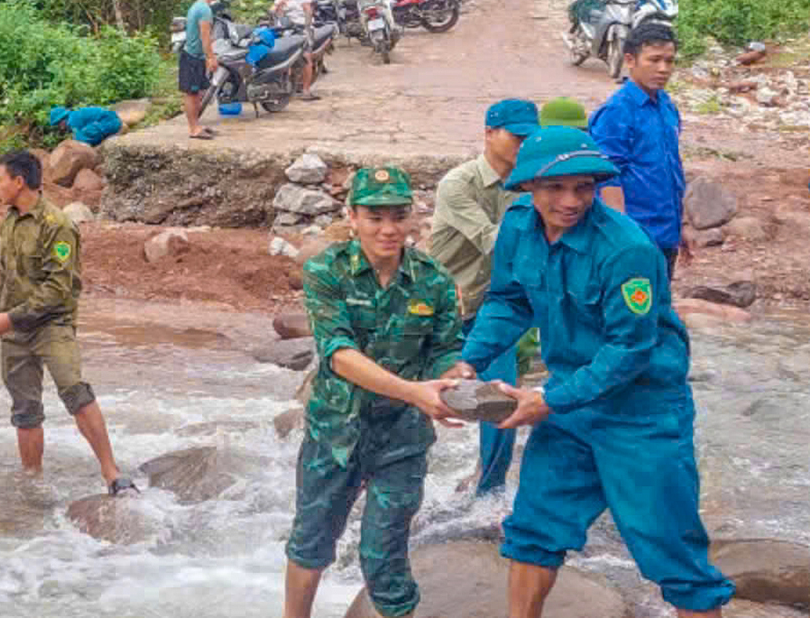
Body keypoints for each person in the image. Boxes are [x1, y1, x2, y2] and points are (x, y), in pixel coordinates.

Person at [454, 126, 733, 617]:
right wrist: (469, 359)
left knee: (673, 553)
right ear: (527, 188)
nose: (570, 201)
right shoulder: (519, 226)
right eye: (554, 188)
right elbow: (508, 300)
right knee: (533, 532)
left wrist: (546, 401)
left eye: (584, 187)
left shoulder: (627, 250)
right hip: (569, 403)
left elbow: (630, 350)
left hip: (642, 414)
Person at [284, 166, 465, 618]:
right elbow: (338, 354)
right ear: (352, 217)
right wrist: (414, 391)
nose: (388, 229)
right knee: (312, 542)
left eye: (398, 216)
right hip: (336, 434)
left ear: (412, 219)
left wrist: (458, 385)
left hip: (401, 440)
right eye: (375, 217)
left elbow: (445, 352)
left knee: (386, 555)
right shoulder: (328, 270)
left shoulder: (434, 280)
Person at [0, 150, 134, 494]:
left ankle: (111, 472)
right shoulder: (9, 220)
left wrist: (9, 317)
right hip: (15, 328)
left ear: (19, 182)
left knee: (75, 392)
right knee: (25, 409)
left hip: (53, 325)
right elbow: (8, 276)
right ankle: (32, 481)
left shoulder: (58, 225)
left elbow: (58, 289)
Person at [426, 99, 538, 496]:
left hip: (492, 311)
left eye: (531, 136)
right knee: (416, 400)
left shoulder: (531, 187)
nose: (525, 144)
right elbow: (495, 243)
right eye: (517, 135)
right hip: (437, 309)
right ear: (490, 134)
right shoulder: (458, 184)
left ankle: (488, 493)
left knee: (501, 400)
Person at [588, 22, 688, 273]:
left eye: (669, 60)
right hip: (635, 236)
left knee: (659, 307)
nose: (663, 69)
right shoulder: (617, 111)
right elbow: (606, 176)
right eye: (654, 60)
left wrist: (681, 226)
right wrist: (623, 238)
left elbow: (672, 170)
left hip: (666, 234)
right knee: (634, 309)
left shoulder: (666, 106)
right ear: (631, 60)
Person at [179, 0, 219, 140]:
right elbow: (205, 35)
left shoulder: (197, 6)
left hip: (193, 55)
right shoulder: (204, 9)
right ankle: (194, 129)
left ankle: (196, 125)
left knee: (197, 93)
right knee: (192, 93)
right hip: (193, 56)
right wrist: (211, 57)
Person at [271, 0, 319, 101]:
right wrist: (278, 7)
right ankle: (286, 85)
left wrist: (308, 27)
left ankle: (306, 89)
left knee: (305, 57)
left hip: (302, 26)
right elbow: (275, 13)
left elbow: (308, 10)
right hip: (287, 28)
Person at [47, 105, 122, 147]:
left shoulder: (73, 119)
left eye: (58, 124)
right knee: (81, 135)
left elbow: (79, 138)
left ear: (62, 120)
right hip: (110, 122)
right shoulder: (75, 115)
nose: (59, 127)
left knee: (80, 136)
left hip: (109, 122)